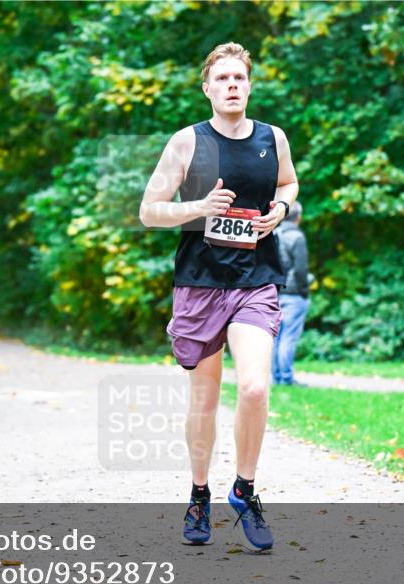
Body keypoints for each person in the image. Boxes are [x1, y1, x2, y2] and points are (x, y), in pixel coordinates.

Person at [140, 42, 299, 550]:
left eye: (240, 78)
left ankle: (245, 489)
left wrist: (280, 208)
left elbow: (290, 184)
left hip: (255, 278)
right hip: (201, 283)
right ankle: (198, 493)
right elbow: (149, 211)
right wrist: (199, 206)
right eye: (223, 78)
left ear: (249, 86)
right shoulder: (187, 143)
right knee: (205, 399)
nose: (232, 85)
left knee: (254, 387)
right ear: (207, 88)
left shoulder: (273, 138)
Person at [272, 201, 310, 386]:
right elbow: (301, 271)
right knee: (289, 337)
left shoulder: (273, 234)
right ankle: (286, 378)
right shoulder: (297, 237)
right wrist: (304, 292)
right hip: (294, 294)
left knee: (276, 337)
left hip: (275, 292)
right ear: (298, 217)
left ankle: (276, 377)